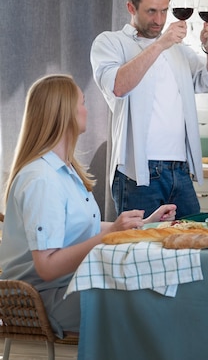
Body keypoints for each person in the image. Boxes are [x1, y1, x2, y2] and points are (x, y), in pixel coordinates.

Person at [0, 74, 177, 338]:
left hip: (69, 285)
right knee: (148, 304)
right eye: (81, 103)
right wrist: (110, 233)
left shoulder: (64, 171)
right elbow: (47, 268)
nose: (86, 109)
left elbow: (83, 227)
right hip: (43, 299)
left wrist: (144, 224)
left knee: (155, 292)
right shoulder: (41, 179)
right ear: (63, 113)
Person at [90, 0, 208, 219]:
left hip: (180, 171)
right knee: (141, 249)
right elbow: (118, 86)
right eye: (151, 11)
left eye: (164, 11)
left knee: (190, 246)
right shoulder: (110, 42)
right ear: (131, 8)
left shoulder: (178, 50)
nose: (159, 20)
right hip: (138, 173)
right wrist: (160, 44)